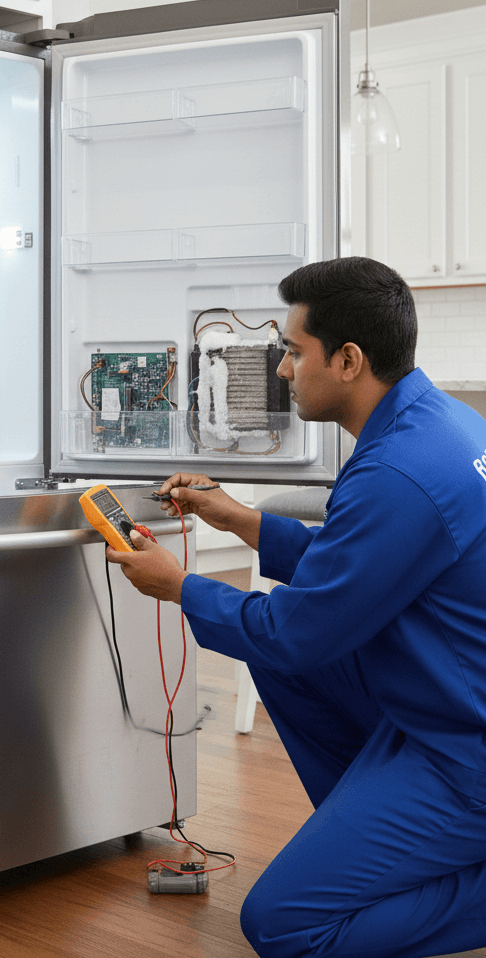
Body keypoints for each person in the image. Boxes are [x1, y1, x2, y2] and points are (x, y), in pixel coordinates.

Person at [107, 256, 486, 958]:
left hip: (463, 748)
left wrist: (177, 585)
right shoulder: (434, 425)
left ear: (346, 359)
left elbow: (295, 633)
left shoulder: (398, 473)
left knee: (284, 925)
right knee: (279, 663)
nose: (281, 368)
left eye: (290, 350)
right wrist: (236, 517)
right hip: (443, 702)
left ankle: (423, 852)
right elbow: (360, 568)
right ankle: (376, 832)